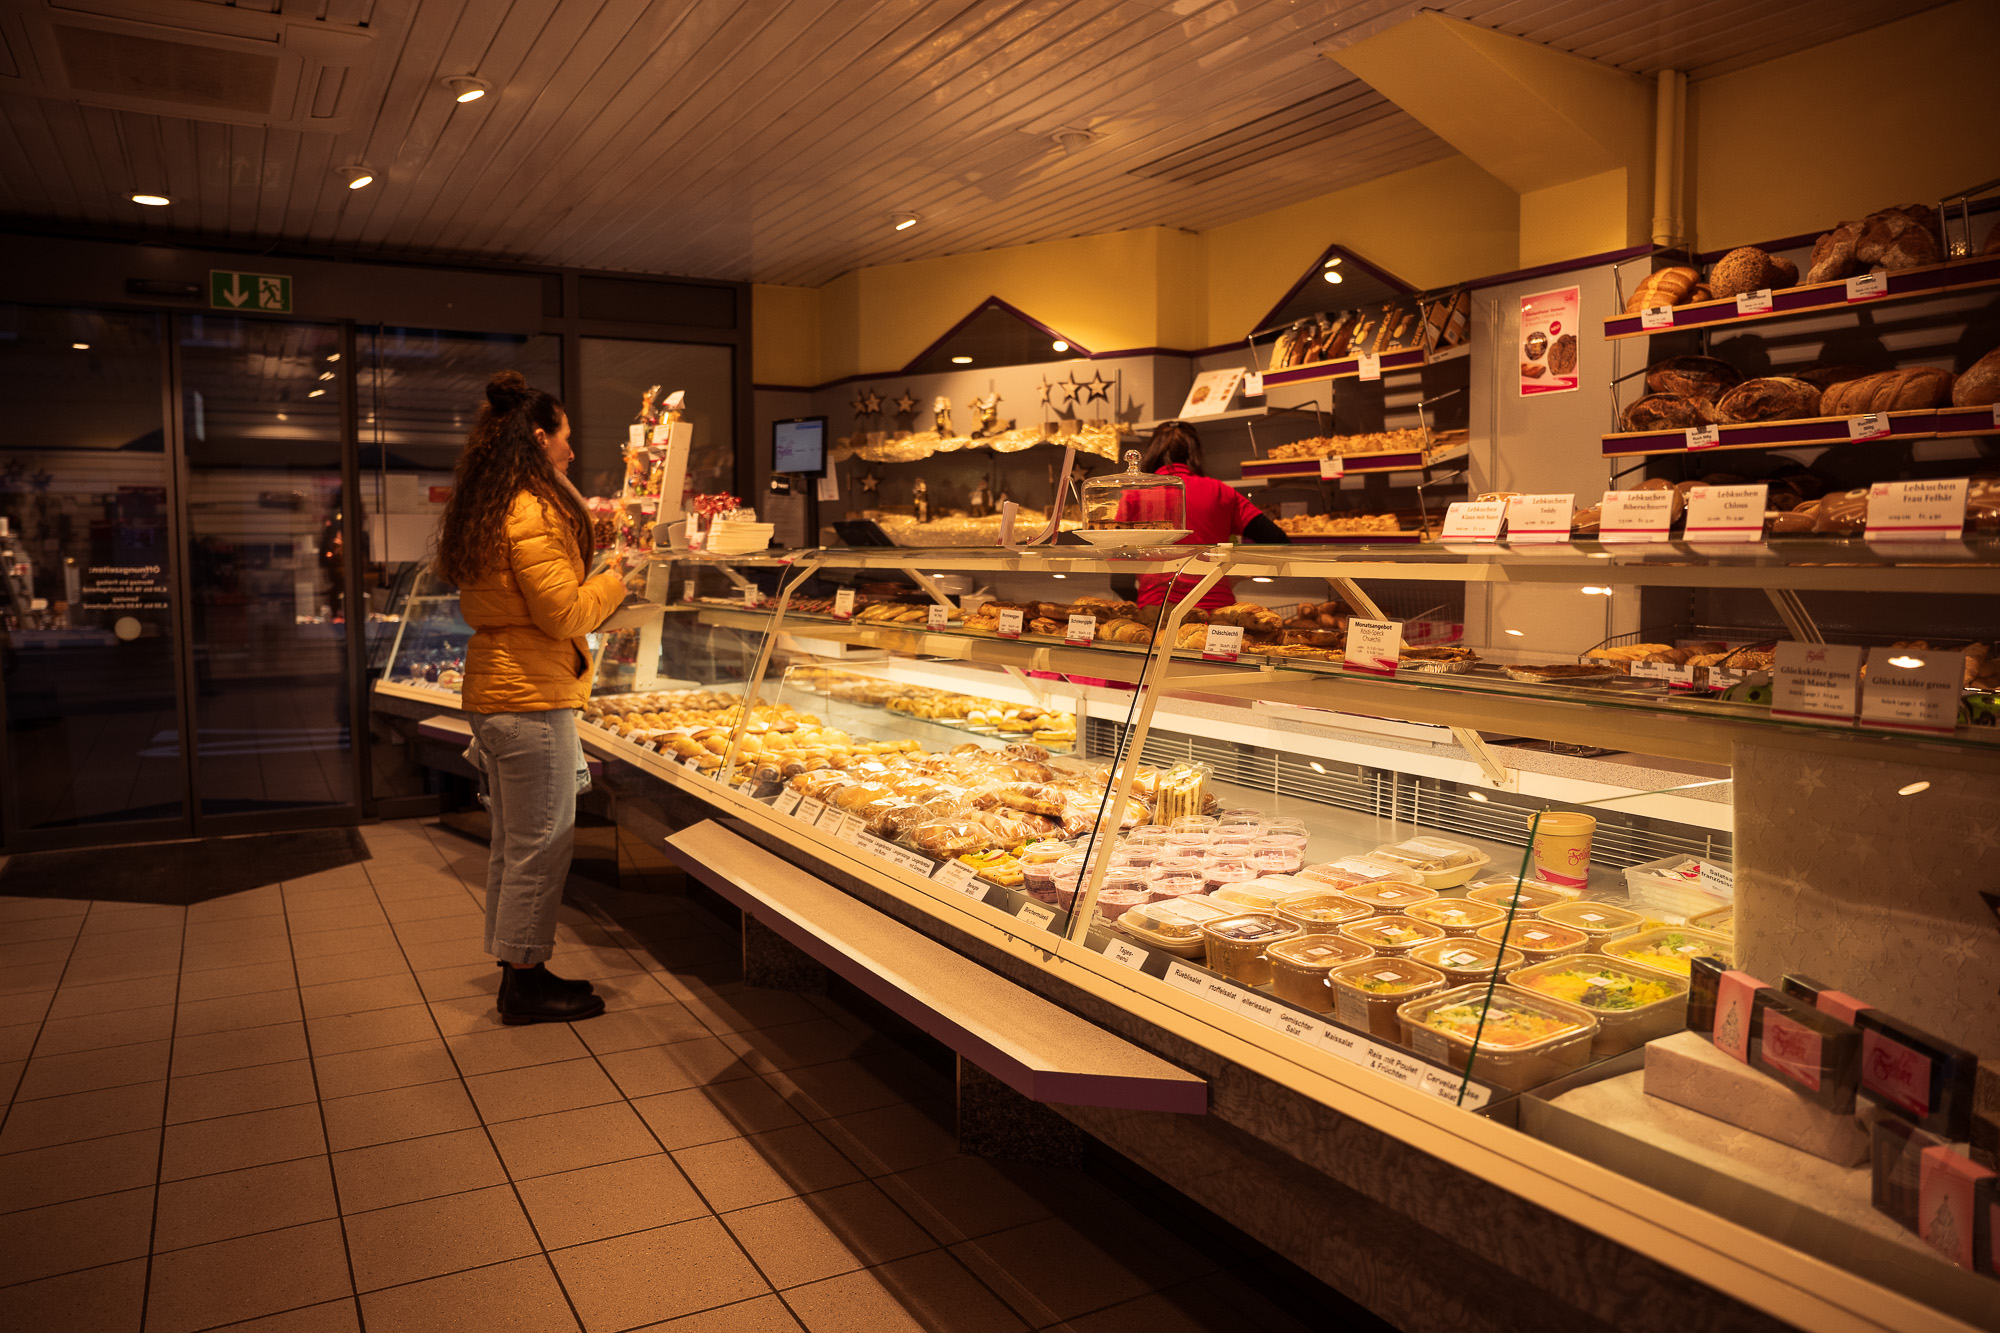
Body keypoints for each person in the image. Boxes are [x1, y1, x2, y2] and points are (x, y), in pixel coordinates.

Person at [434, 371, 627, 1024]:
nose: (572, 449)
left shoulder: (495, 502)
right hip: (528, 698)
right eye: (566, 436)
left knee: (516, 845)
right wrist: (616, 580)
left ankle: (517, 970)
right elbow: (563, 613)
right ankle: (526, 982)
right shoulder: (532, 510)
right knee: (541, 847)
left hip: (503, 690)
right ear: (541, 438)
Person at [1132, 420, 1289, 611]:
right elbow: (1278, 541)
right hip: (1214, 612)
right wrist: (1238, 573)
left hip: (1156, 611)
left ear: (1152, 452)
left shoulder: (1134, 495)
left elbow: (1114, 557)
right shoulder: (1220, 491)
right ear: (1195, 454)